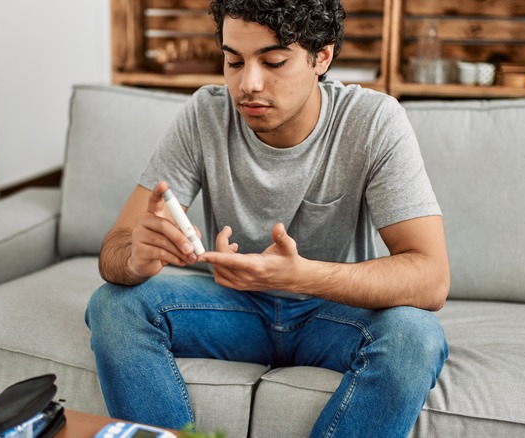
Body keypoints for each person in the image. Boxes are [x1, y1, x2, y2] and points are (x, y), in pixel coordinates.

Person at [85, 0, 450, 436]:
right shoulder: (206, 114)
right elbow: (115, 248)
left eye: (273, 61)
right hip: (234, 311)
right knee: (113, 305)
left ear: (323, 57)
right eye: (233, 61)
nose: (248, 84)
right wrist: (135, 258)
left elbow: (431, 277)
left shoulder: (373, 122)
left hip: (330, 314)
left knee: (416, 336)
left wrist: (301, 277)